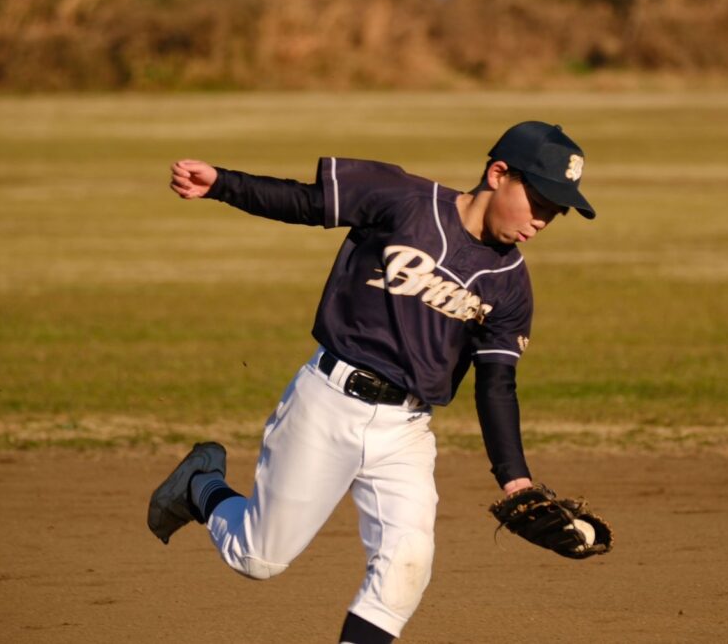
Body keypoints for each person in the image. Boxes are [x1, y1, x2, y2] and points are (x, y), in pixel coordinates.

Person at [148, 121, 596, 644]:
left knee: (407, 566)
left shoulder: (511, 283)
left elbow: (496, 384)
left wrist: (516, 479)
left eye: (556, 211)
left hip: (406, 431)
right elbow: (305, 203)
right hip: (328, 403)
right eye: (539, 200)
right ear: (498, 174)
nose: (543, 220)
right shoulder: (405, 201)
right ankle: (200, 485)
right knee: (256, 558)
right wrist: (223, 183)